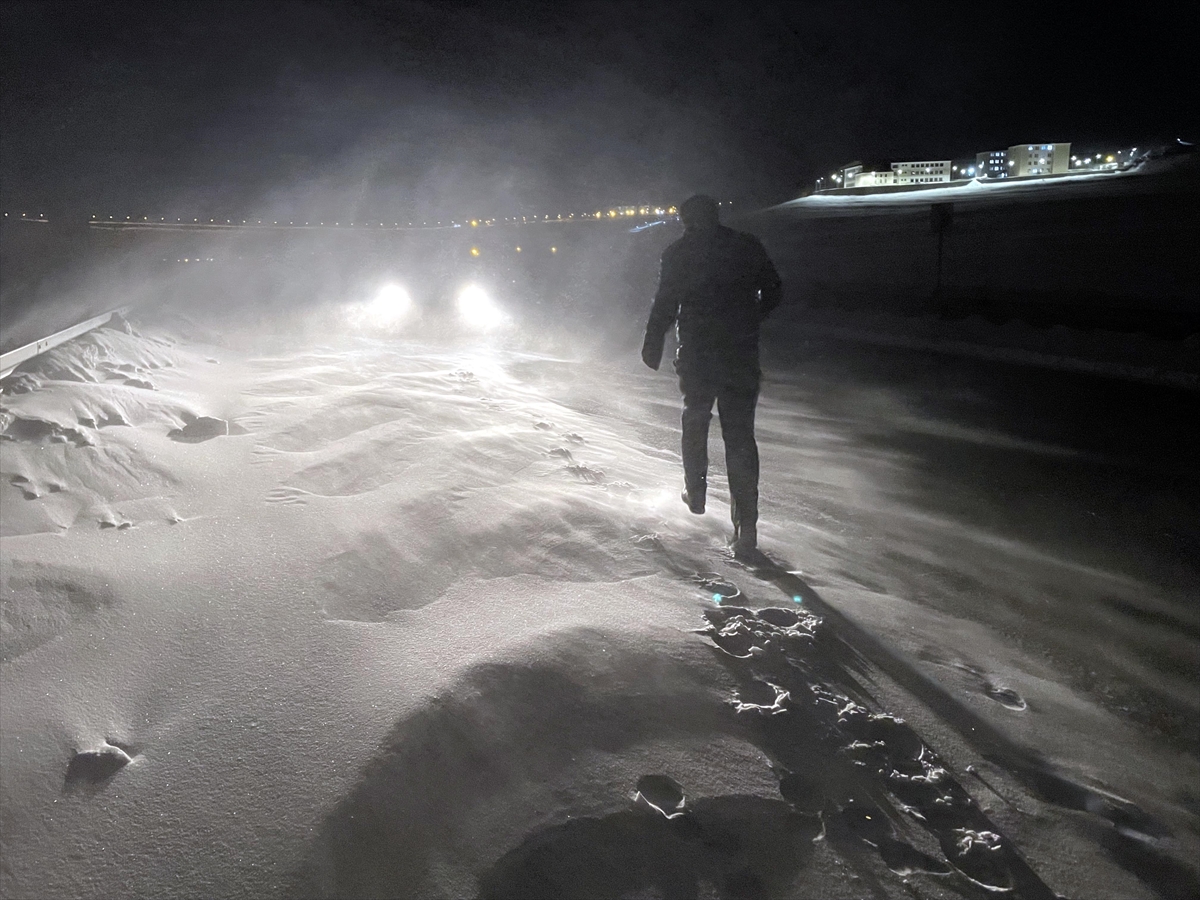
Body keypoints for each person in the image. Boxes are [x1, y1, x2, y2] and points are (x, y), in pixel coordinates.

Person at [641, 194, 782, 557]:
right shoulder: (746, 245)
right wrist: (750, 319)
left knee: (696, 415)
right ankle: (746, 527)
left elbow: (665, 302)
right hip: (739, 353)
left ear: (686, 219)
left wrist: (653, 341)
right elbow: (774, 290)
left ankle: (696, 491)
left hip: (699, 354)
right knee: (739, 438)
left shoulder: (678, 252)